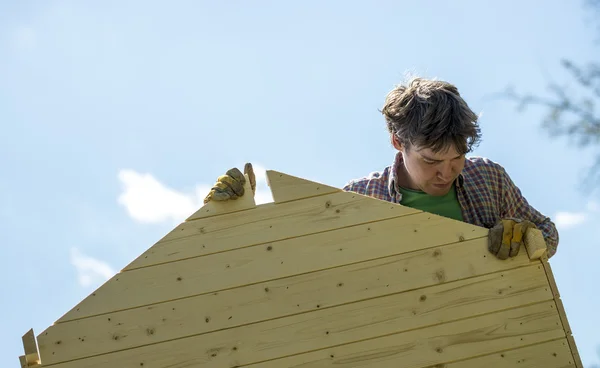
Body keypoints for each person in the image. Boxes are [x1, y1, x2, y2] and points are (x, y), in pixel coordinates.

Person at [204, 77, 559, 259]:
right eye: (431, 161)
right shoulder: (360, 197)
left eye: (456, 159)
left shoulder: (488, 178)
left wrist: (529, 237)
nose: (446, 173)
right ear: (397, 143)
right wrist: (237, 219)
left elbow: (547, 232)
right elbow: (295, 257)